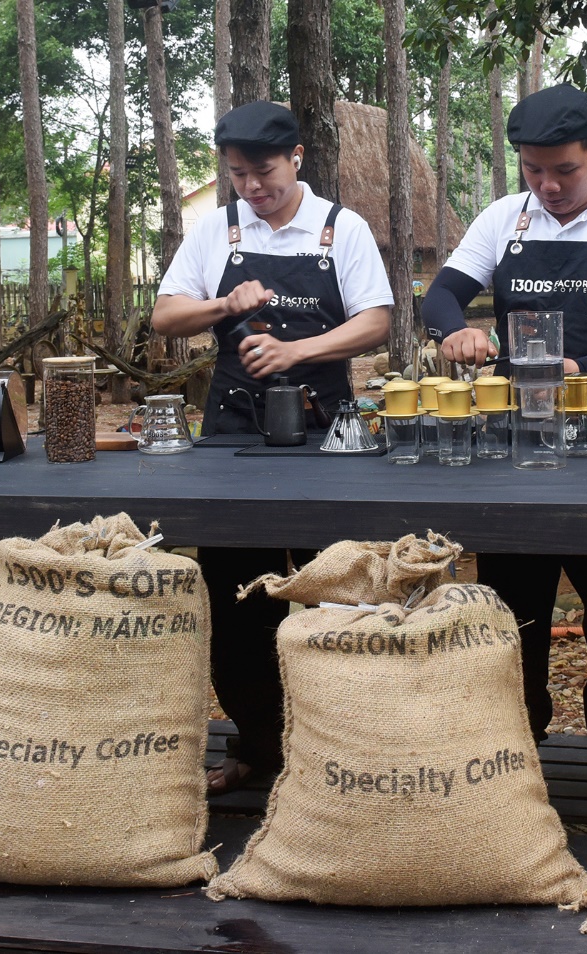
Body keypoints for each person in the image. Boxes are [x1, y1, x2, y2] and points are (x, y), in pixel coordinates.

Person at [419, 83, 587, 825]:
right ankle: (513, 748)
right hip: (518, 447)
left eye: (562, 169)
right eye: (532, 170)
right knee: (512, 612)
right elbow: (441, 295)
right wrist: (454, 332)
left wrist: (581, 371)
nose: (547, 185)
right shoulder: (505, 218)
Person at [152, 101, 393, 794]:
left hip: (327, 433)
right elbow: (167, 316)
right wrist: (223, 306)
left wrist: (296, 348)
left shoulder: (339, 229)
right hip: (231, 434)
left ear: (297, 159)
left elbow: (374, 320)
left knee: (341, 593)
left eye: (263, 173)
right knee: (238, 603)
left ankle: (347, 752)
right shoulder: (216, 232)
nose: (252, 188)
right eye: (237, 175)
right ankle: (259, 748)